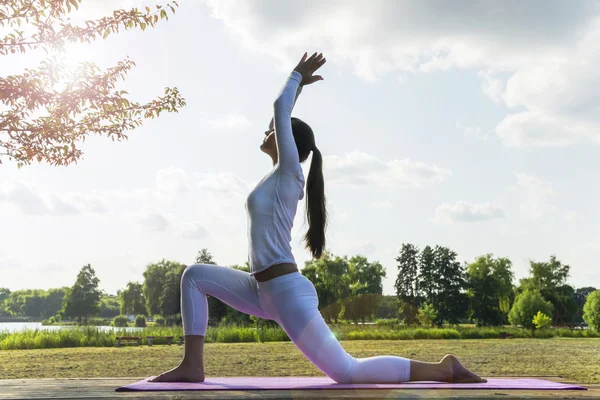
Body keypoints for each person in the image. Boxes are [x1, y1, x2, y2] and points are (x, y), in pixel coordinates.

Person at [150, 52, 487, 384]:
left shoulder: (289, 173)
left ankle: (444, 368)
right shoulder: (276, 178)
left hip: (284, 291)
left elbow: (280, 109)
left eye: (273, 131)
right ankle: (192, 365)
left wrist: (295, 78)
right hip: (259, 289)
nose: (266, 133)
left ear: (288, 142)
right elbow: (282, 117)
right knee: (193, 276)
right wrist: (297, 89)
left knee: (347, 372)